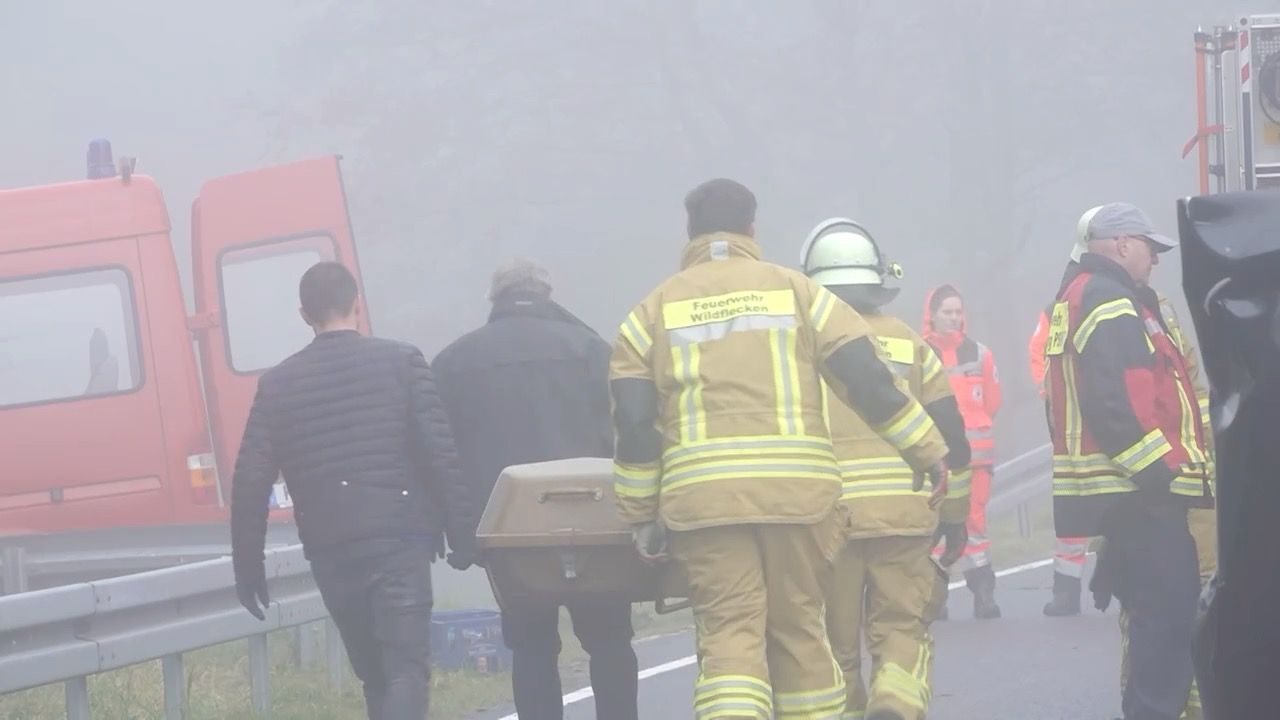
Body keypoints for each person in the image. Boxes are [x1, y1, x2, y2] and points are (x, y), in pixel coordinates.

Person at [609, 179, 948, 720]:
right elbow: (866, 378)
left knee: (730, 635)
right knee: (798, 630)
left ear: (689, 232)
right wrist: (925, 449)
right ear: (751, 228)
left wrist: (640, 513)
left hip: (704, 507)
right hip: (799, 502)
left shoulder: (647, 315)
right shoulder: (800, 293)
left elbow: (634, 424)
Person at [230, 261, 472, 720]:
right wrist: (460, 531)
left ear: (304, 315)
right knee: (405, 669)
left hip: (331, 547)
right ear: (356, 304)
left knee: (374, 675)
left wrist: (249, 566)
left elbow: (249, 480)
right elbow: (440, 452)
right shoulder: (402, 361)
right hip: (399, 539)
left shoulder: (277, 385)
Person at [1030, 206, 1218, 716]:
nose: (1155, 258)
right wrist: (1159, 476)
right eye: (1148, 246)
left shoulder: (1085, 296)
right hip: (1142, 496)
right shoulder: (1109, 299)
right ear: (1118, 244)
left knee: (1159, 621)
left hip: (1125, 496)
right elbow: (1119, 401)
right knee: (1170, 622)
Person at [432, 258, 639, 720]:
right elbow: (628, 432)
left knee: (531, 649)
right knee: (609, 643)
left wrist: (461, 532)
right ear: (548, 294)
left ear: (495, 300)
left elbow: (441, 455)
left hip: (510, 535)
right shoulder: (590, 348)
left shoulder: (454, 361)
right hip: (595, 528)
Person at [799, 218, 972, 720]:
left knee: (835, 648)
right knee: (902, 631)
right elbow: (951, 437)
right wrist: (955, 515)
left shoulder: (801, 344)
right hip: (905, 512)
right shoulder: (911, 344)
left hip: (829, 520)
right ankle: (894, 703)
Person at [922, 283, 1003, 619]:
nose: (954, 318)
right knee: (935, 526)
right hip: (935, 457)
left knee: (974, 523)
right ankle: (935, 597)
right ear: (932, 315)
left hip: (976, 457)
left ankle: (983, 593)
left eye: (958, 312)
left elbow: (993, 402)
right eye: (947, 312)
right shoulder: (920, 353)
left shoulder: (981, 354)